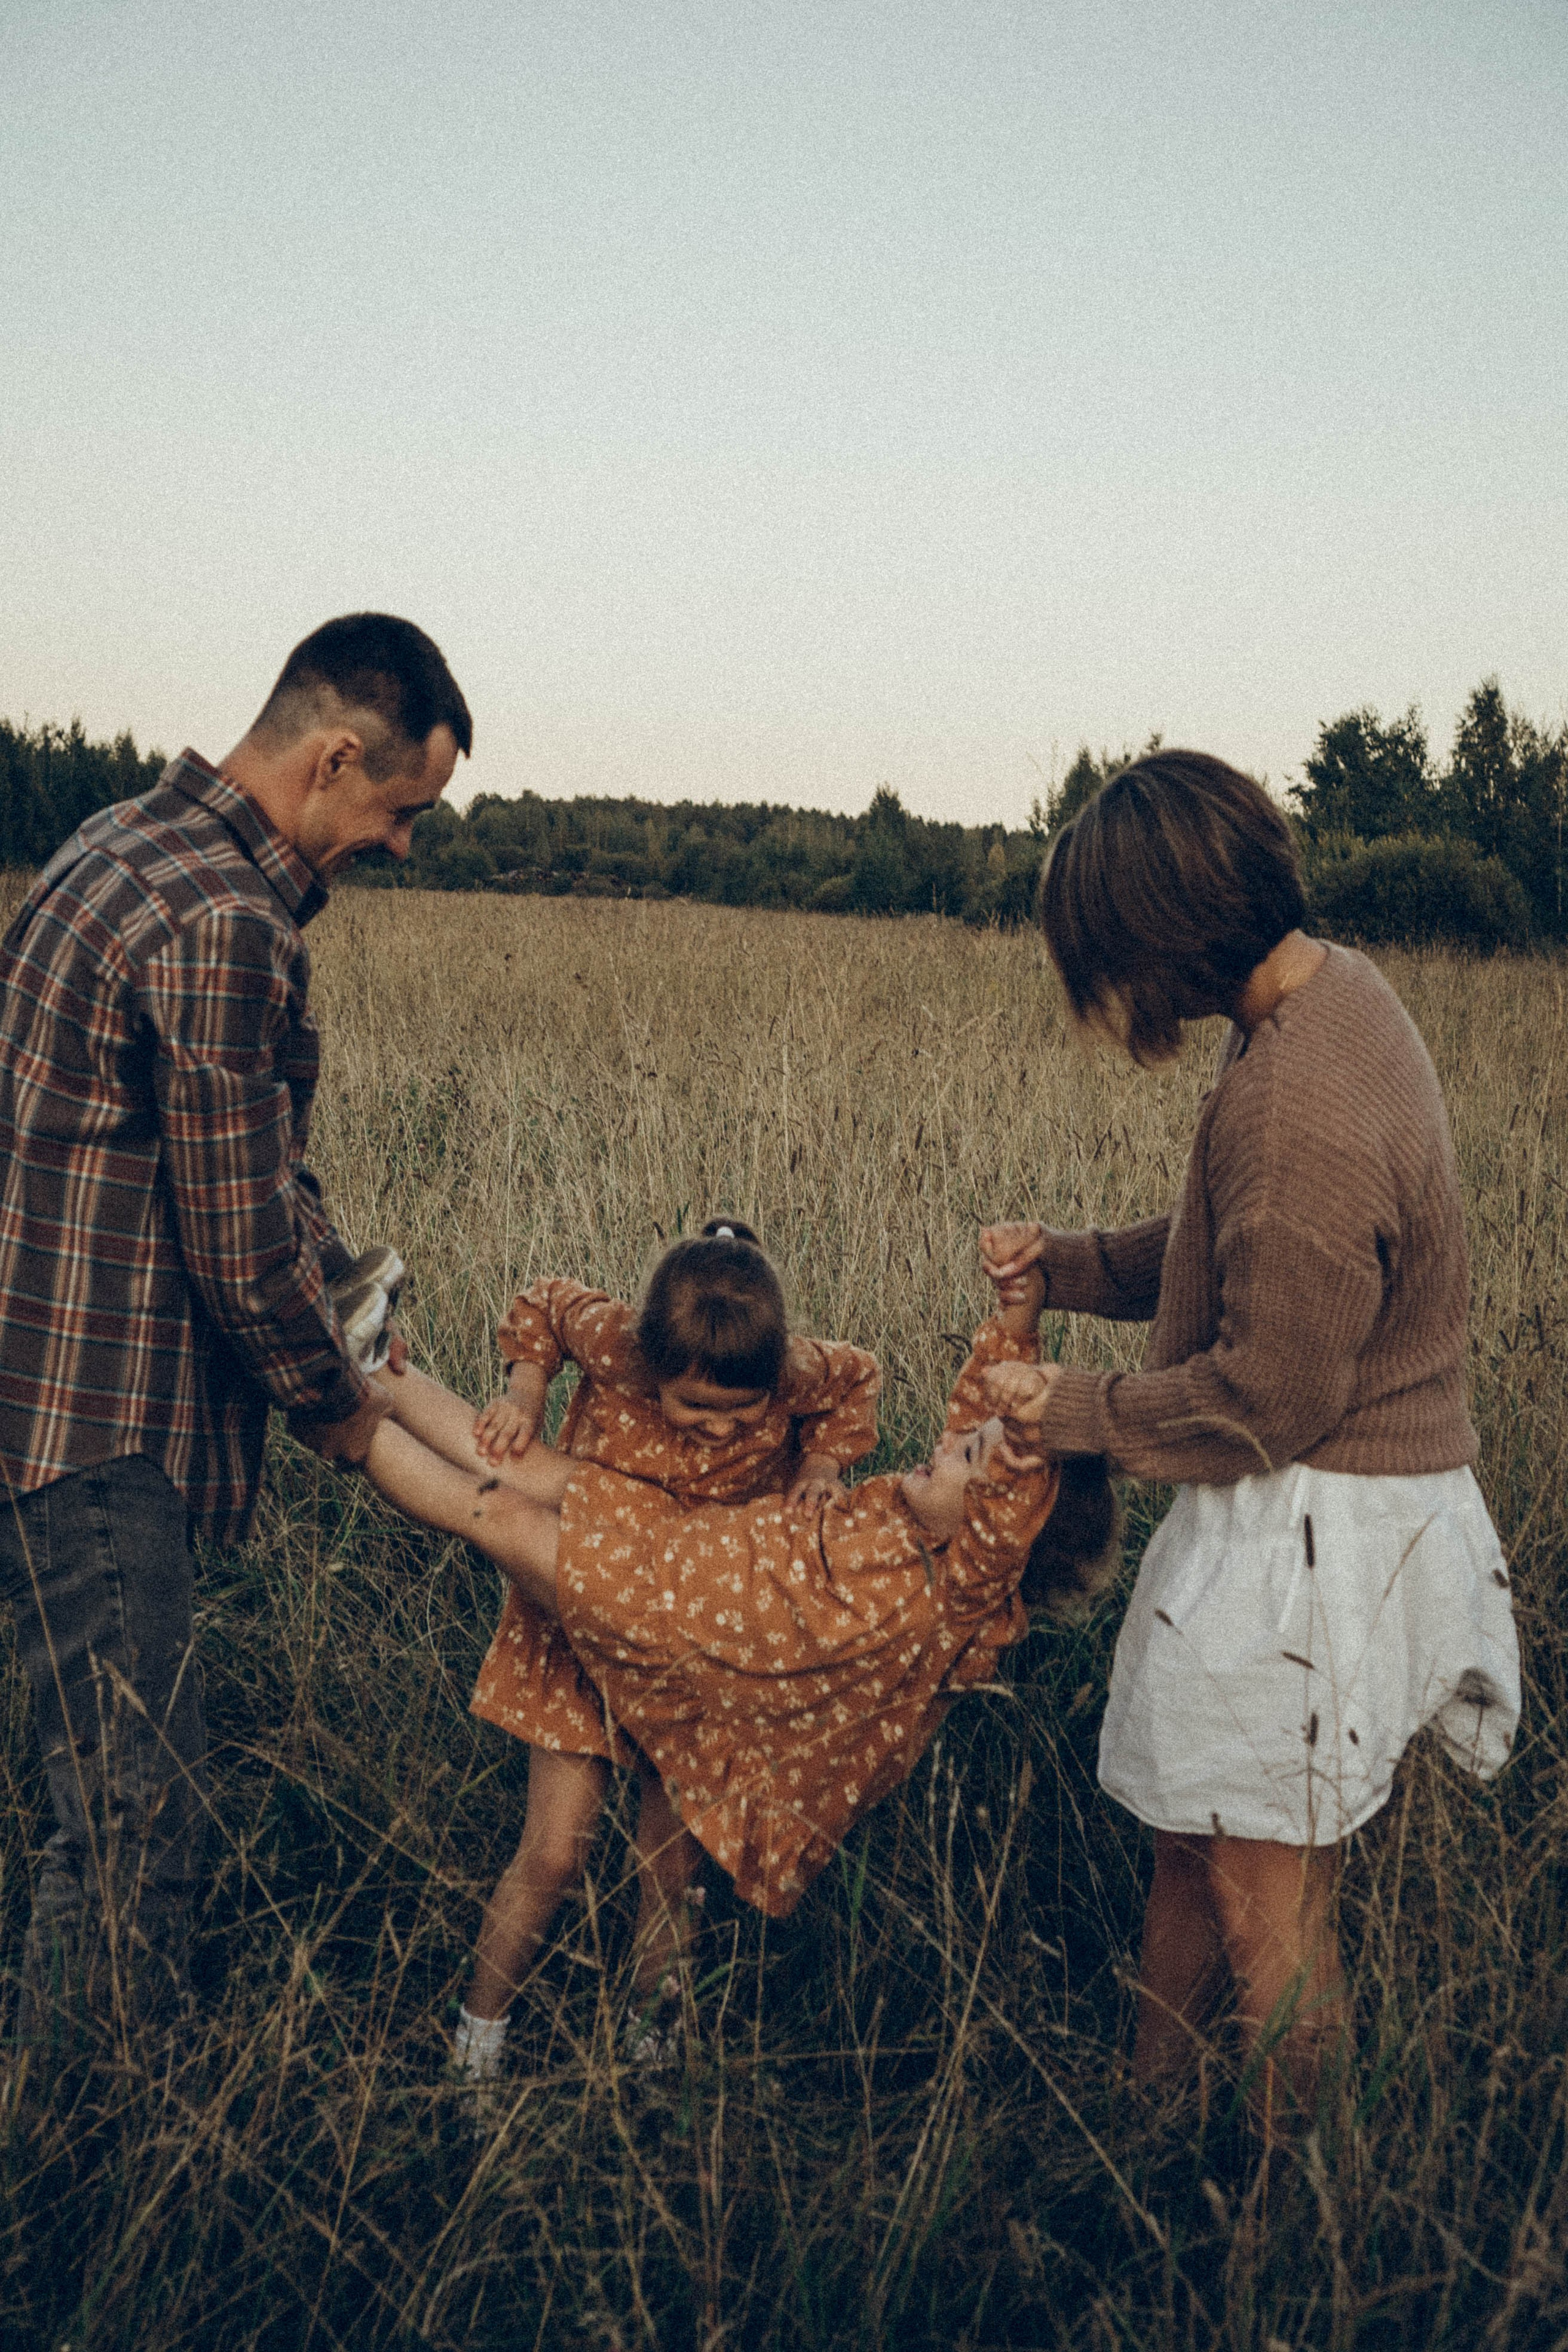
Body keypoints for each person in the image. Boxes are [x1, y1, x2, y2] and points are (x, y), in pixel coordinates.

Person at [981, 747, 1520, 2124]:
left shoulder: (1295, 1096)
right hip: (1310, 1512)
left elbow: (1263, 1394)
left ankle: (1288, 2252)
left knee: (1264, 1907)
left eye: (1102, 962)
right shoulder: (1327, 996)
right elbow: (1253, 1245)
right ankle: (1148, 2120)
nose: (1105, 1002)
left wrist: (1074, 1413)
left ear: (1158, 942)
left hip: (1314, 1529)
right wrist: (1079, 1261)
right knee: (1193, 1840)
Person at [0, 612, 470, 2036]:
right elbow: (241, 1248)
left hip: (37, 1400)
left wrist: (357, 1301)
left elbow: (230, 1164)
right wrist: (341, 1408)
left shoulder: (119, 840)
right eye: (402, 809)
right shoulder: (230, 921)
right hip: (101, 1431)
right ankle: (88, 2165)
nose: (402, 845)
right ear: (332, 758)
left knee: (76, 1799)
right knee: (138, 1822)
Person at [341, 1264, 1112, 1978]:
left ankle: (342, 1415)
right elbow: (986, 1419)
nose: (947, 1441)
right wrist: (1018, 1314)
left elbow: (1011, 1495)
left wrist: (1035, 1401)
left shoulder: (961, 1582)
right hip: (687, 1550)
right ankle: (365, 1363)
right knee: (520, 1475)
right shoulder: (921, 1521)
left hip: (678, 1619)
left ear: (997, 1521)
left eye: (969, 1454)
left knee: (499, 1516)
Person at [380, 1220, 880, 2082]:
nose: (719, 1430)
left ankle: (654, 2059)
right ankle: (476, 2047)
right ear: (652, 1368)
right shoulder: (619, 1344)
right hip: (581, 1611)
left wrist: (821, 1467)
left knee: (670, 1865)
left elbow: (858, 1376)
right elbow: (543, 1301)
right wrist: (528, 1391)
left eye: (742, 1412)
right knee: (553, 1854)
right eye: (695, 1408)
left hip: (694, 1641)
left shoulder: (794, 1369)